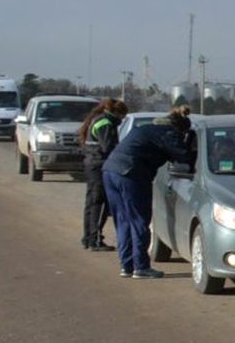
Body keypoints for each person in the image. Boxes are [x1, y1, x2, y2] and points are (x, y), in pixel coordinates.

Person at [102, 109, 197, 279]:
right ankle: (141, 267)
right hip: (131, 174)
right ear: (180, 129)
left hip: (110, 171)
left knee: (123, 221)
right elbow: (186, 157)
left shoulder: (145, 128)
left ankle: (127, 266)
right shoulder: (168, 133)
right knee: (139, 221)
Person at [78, 98, 128, 251]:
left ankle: (88, 238)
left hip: (92, 164)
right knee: (100, 203)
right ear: (117, 113)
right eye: (122, 116)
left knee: (91, 203)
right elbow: (108, 147)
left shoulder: (99, 119)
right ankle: (95, 240)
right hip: (99, 165)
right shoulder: (106, 123)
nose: (122, 120)